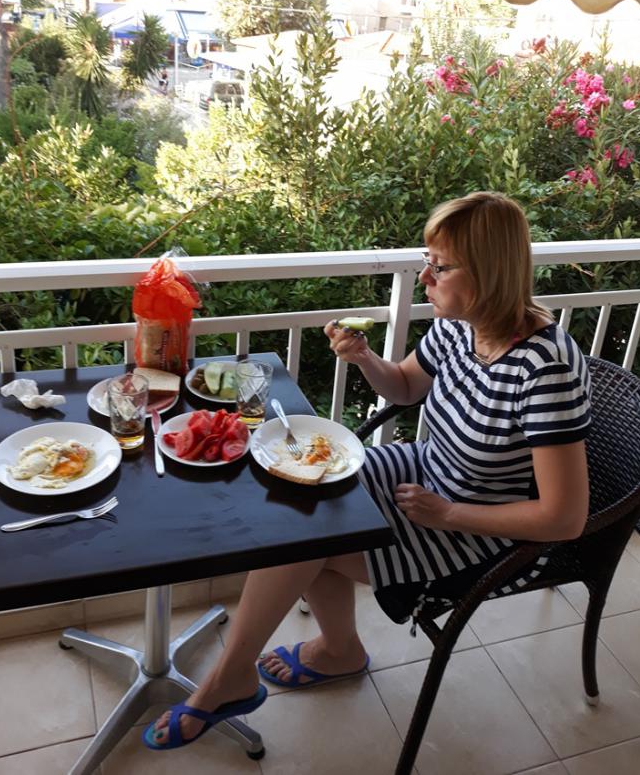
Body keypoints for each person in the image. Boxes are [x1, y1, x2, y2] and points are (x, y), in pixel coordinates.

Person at [143, 191, 591, 751]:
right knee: (298, 497)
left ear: (489, 272)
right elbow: (403, 386)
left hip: (480, 525)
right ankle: (335, 651)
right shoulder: (462, 325)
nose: (424, 277)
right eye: (427, 261)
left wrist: (449, 514)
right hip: (425, 472)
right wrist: (364, 359)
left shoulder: (545, 369)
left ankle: (235, 679)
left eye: (441, 266)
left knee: (305, 537)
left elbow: (565, 518)